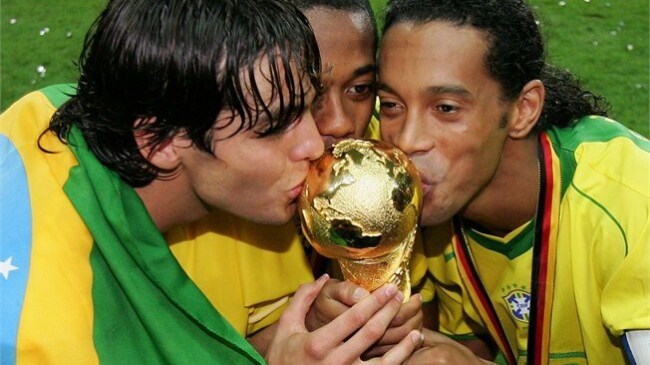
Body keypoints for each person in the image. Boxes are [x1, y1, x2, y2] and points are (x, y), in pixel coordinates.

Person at [0, 0, 425, 363]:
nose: (317, 145)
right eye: (273, 126)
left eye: (305, 107)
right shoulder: (50, 333)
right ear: (158, 139)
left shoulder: (53, 109)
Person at [376, 0, 650, 364]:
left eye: (446, 108)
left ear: (523, 109)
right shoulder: (417, 200)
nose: (407, 141)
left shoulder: (632, 203)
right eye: (391, 104)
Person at [165, 0, 428, 358]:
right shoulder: (198, 203)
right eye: (313, 93)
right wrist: (307, 325)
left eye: (361, 88)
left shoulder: (393, 160)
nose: (339, 123)